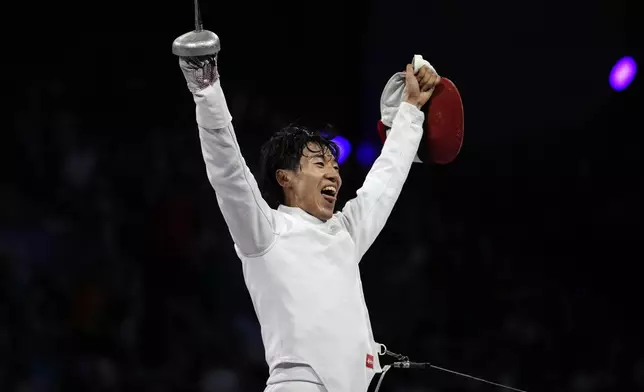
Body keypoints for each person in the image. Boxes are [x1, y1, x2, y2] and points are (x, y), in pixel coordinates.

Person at [178, 54, 440, 392]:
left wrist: (410, 109)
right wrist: (206, 89)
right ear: (285, 177)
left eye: (334, 166)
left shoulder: (345, 233)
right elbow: (229, 172)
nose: (334, 173)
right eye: (320, 164)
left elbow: (385, 182)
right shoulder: (266, 232)